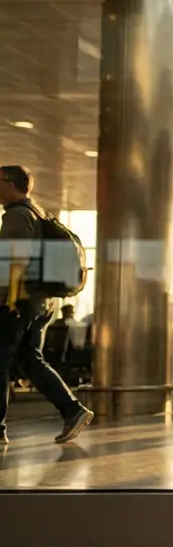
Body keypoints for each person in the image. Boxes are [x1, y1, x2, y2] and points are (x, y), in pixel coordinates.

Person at [0, 165, 92, 446]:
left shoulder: (17, 215)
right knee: (29, 359)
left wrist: (4, 300)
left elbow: (12, 263)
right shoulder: (39, 212)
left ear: (13, 185)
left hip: (19, 301)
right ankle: (72, 410)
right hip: (41, 301)